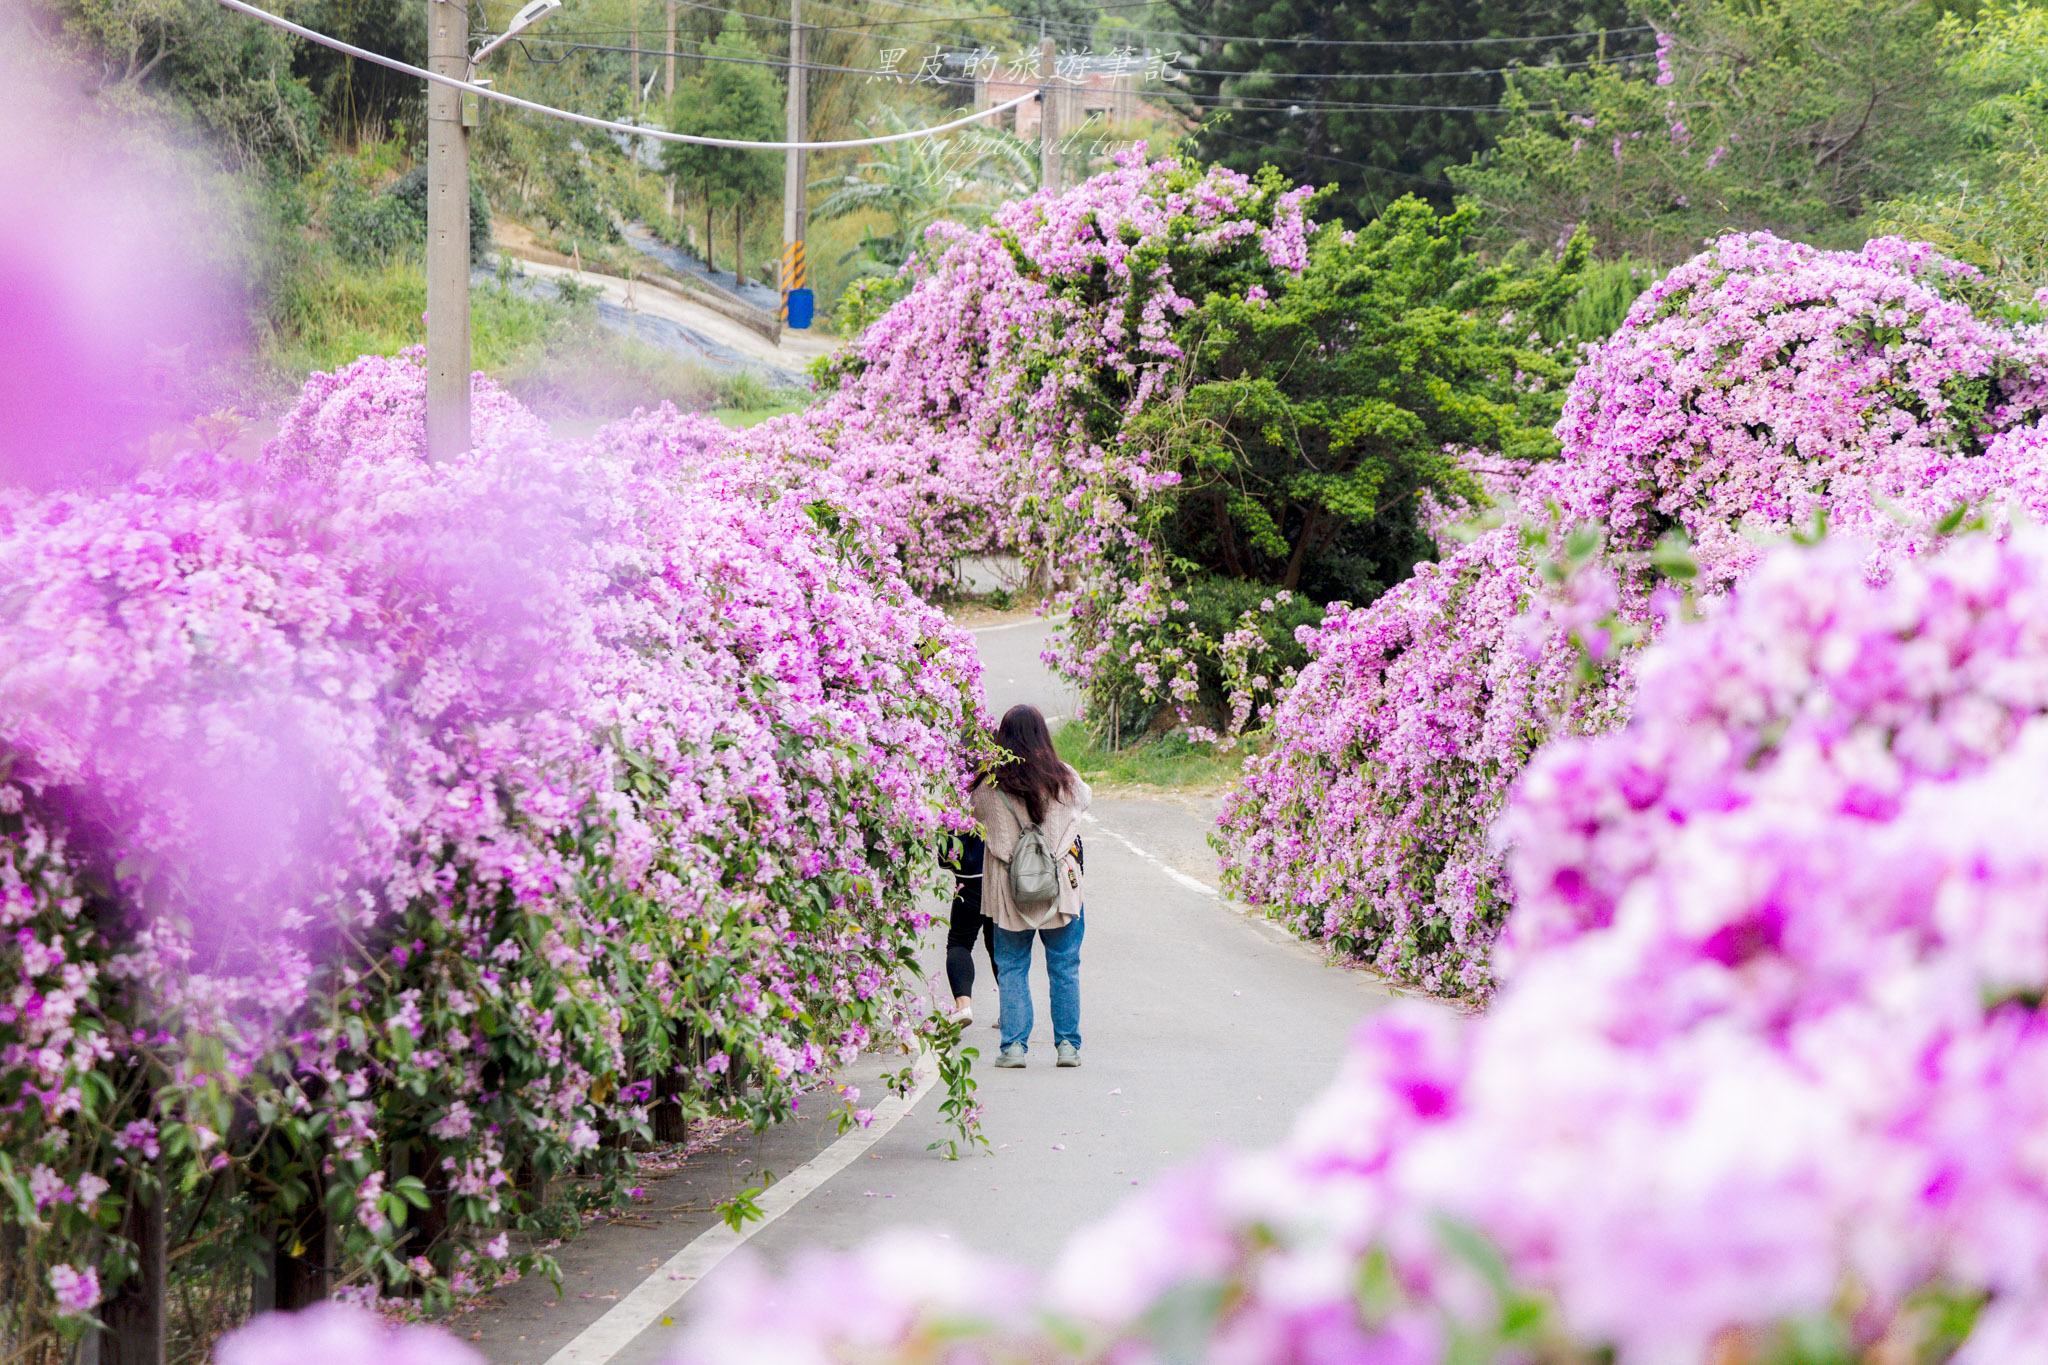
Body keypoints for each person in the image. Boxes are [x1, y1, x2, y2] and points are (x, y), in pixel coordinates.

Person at [973, 704, 1091, 1069]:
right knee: (1064, 967)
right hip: (1060, 889)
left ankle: (1013, 1049)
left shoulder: (990, 784)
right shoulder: (1064, 778)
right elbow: (1086, 799)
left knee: (1011, 967)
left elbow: (971, 811)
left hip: (1011, 892)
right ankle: (1068, 1047)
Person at [942, 830, 996, 1025]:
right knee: (1000, 945)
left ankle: (963, 1006)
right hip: (1003, 875)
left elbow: (946, 857)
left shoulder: (956, 803)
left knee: (959, 942)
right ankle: (1011, 1011)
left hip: (969, 881)